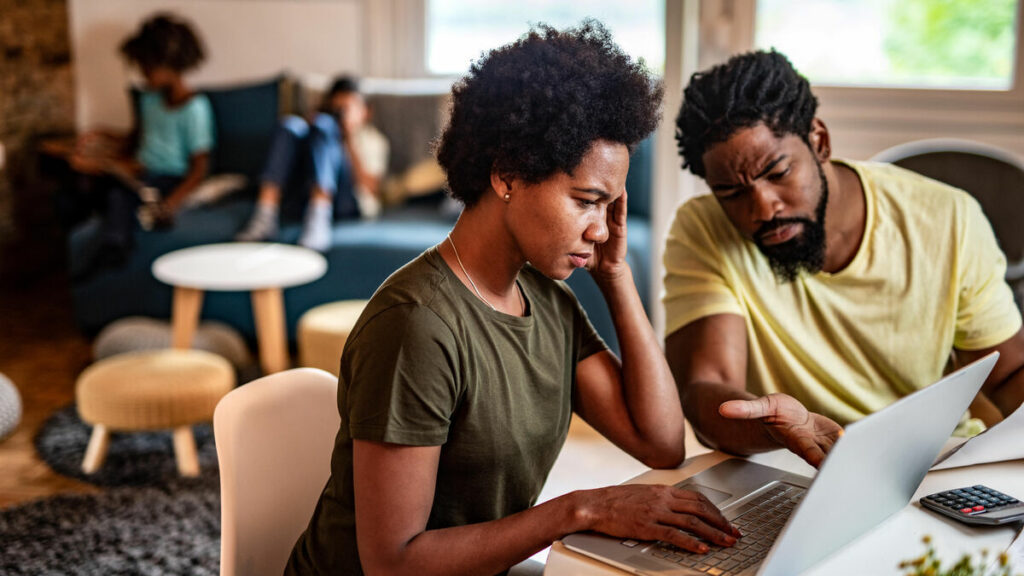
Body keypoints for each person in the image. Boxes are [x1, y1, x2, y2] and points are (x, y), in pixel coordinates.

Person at [285, 21, 741, 576]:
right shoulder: (416, 327)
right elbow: (393, 563)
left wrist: (617, 276)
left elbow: (661, 443)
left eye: (609, 206)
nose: (600, 229)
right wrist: (581, 509)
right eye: (585, 201)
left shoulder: (546, 302)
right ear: (507, 175)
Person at [664, 50, 1024, 469]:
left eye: (778, 173)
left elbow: (1009, 374)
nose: (762, 209)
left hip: (930, 463)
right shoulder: (703, 228)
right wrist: (775, 428)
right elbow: (707, 386)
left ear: (819, 141)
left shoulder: (949, 218)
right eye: (732, 193)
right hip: (795, 465)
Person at [71, 13, 213, 270]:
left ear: (170, 63)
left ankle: (116, 247)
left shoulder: (195, 108)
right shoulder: (148, 101)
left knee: (119, 196)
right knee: (82, 183)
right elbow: (134, 139)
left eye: (148, 67)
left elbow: (199, 167)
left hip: (168, 178)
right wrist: (102, 136)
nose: (144, 73)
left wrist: (173, 202)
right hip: (138, 174)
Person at [234, 75, 389, 252]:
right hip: (302, 197)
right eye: (336, 108)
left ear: (366, 111)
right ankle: (265, 216)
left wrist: (346, 140)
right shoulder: (321, 131)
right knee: (290, 125)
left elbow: (372, 188)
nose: (342, 114)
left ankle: (318, 218)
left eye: (348, 108)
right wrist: (312, 129)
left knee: (325, 126)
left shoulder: (373, 140)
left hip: (345, 202)